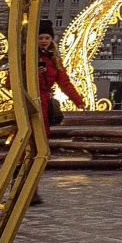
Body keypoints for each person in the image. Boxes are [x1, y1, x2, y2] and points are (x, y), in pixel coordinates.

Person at [32, 19, 85, 205]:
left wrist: (78, 101)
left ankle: (32, 190)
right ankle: (23, 187)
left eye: (47, 37)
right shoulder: (26, 57)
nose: (44, 40)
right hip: (29, 106)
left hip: (44, 109)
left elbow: (65, 82)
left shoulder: (54, 59)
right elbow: (9, 81)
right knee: (28, 149)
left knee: (40, 149)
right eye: (40, 37)